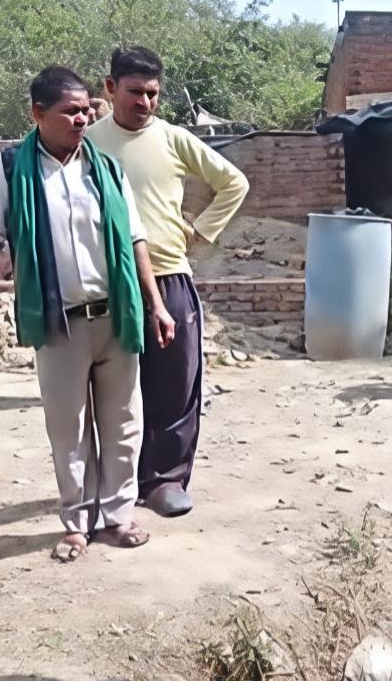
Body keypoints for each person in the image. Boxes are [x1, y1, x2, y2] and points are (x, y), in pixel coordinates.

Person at [0, 66, 176, 563]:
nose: (82, 119)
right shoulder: (11, 169)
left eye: (87, 110)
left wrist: (156, 305)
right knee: (69, 430)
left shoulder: (105, 168)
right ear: (38, 113)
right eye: (70, 111)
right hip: (59, 324)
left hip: (116, 316)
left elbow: (135, 239)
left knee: (124, 423)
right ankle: (77, 523)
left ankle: (118, 517)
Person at [86, 46, 249, 518]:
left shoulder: (174, 139)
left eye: (153, 94)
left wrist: (200, 232)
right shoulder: (88, 142)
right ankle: (117, 483)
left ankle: (165, 481)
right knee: (115, 392)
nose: (145, 102)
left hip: (170, 276)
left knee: (176, 384)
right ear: (110, 88)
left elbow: (234, 182)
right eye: (135, 92)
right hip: (108, 285)